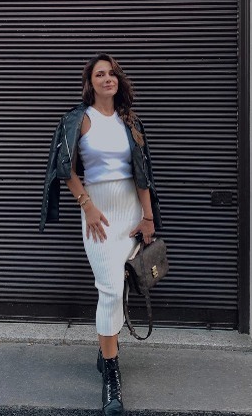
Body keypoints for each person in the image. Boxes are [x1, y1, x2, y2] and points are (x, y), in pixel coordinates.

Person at [40, 53, 162, 415]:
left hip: (130, 213)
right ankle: (111, 374)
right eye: (100, 74)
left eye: (112, 74)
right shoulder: (78, 119)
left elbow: (142, 173)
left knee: (120, 288)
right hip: (99, 215)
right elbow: (64, 168)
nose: (107, 78)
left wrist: (148, 218)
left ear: (118, 81)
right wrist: (87, 205)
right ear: (89, 82)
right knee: (109, 288)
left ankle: (105, 352)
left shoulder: (130, 120)